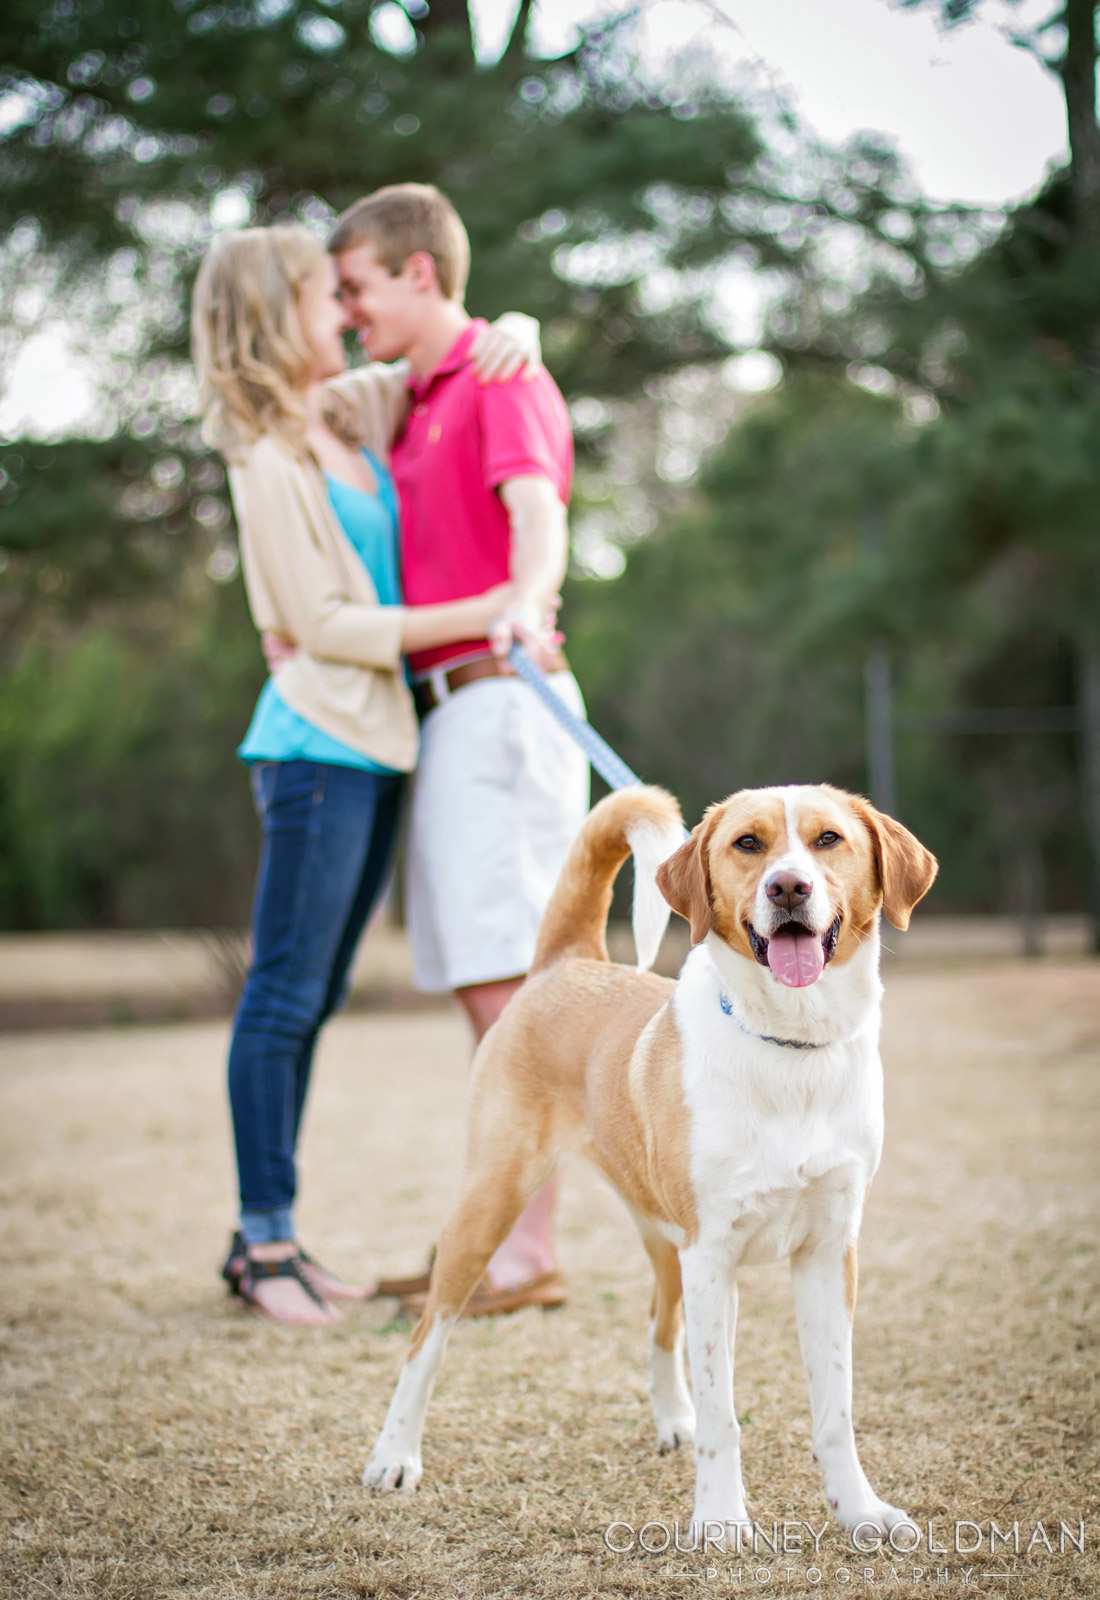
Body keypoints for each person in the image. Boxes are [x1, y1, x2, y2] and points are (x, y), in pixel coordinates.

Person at [191, 223, 540, 1324]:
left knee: (317, 994)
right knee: (284, 995)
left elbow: (449, 353)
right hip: (315, 751)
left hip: (378, 747)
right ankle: (263, 1242)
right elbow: (322, 620)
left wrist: (514, 331)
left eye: (345, 296)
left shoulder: (346, 413)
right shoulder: (263, 452)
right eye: (318, 297)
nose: (342, 313)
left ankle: (279, 1237)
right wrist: (489, 611)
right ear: (271, 313)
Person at [326, 184, 590, 1317]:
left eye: (357, 287)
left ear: (418, 274)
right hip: (445, 713)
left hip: (499, 697)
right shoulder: (414, 391)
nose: (344, 313)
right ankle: (485, 1244)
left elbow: (538, 520)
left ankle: (518, 1256)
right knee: (480, 986)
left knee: (510, 988)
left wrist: (525, 603)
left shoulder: (498, 376)